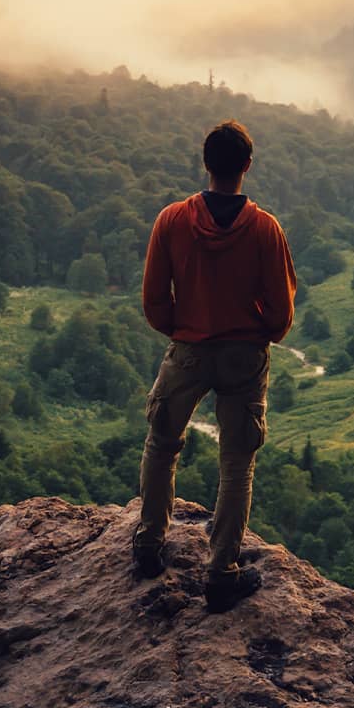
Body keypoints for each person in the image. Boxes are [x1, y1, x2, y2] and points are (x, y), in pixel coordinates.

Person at [133, 119, 297, 612]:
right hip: (244, 354)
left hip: (188, 350)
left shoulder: (172, 221)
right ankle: (221, 570)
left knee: (162, 443)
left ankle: (147, 545)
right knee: (237, 461)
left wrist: (184, 331)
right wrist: (255, 334)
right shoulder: (265, 228)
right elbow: (282, 312)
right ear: (247, 166)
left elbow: (154, 299)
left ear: (205, 163)